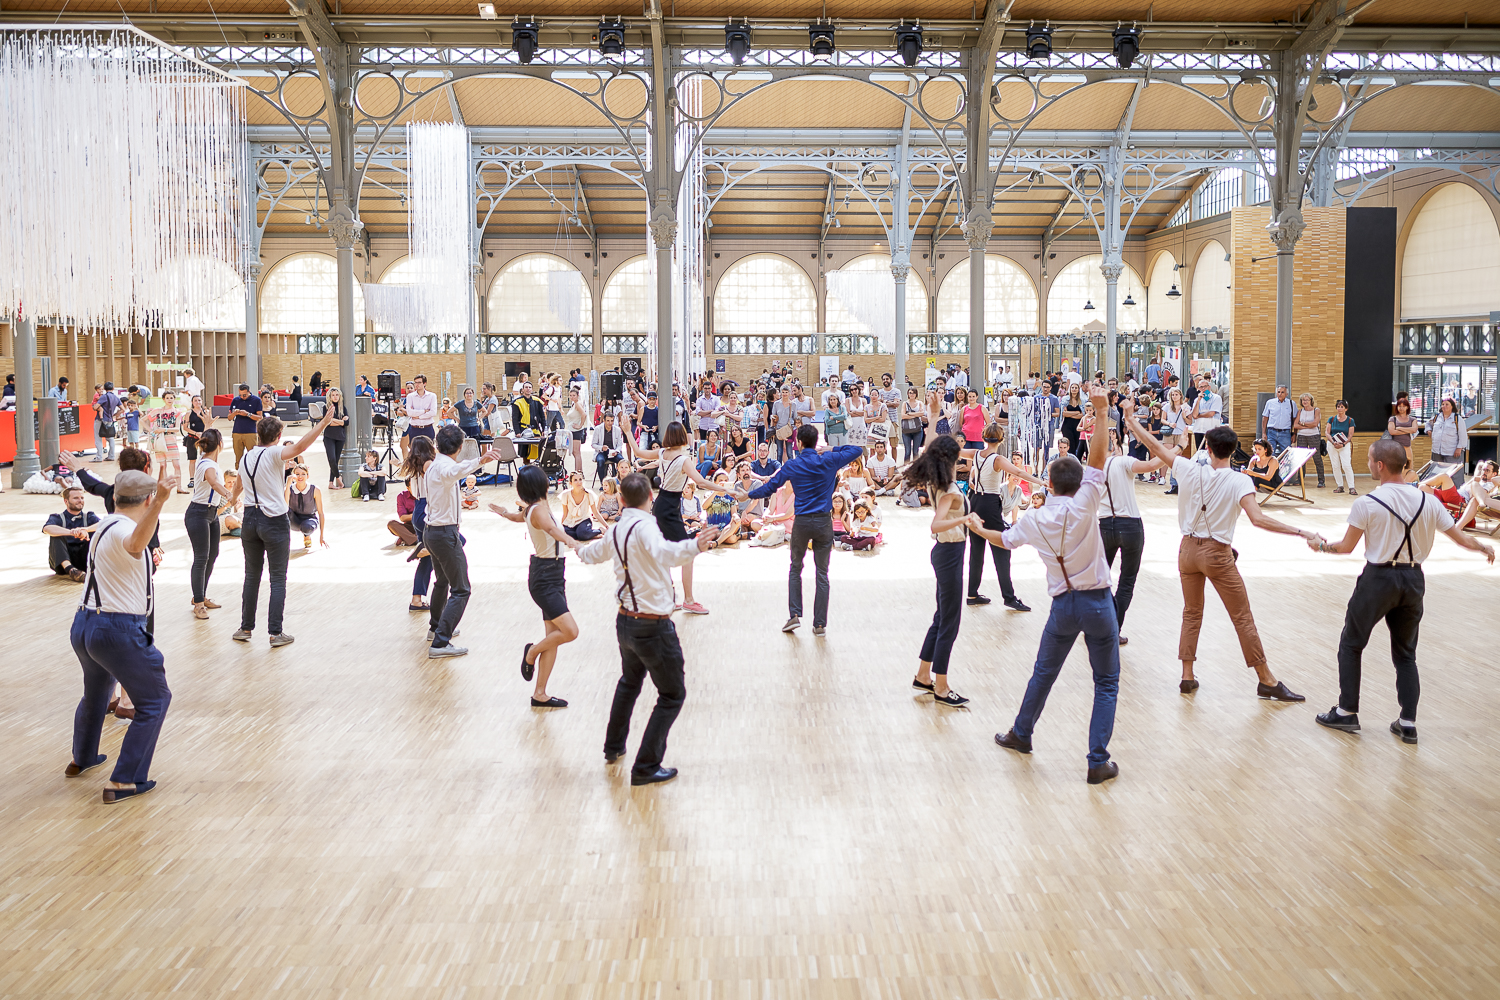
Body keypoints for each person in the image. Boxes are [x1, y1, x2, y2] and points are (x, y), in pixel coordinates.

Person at [972, 385, 1121, 784]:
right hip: (1098, 602)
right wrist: (1102, 413)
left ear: (1049, 486)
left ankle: (1022, 733)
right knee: (1105, 681)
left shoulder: (1035, 519)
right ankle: (1096, 760)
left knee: (1044, 672)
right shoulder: (1087, 500)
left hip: (1062, 606)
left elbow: (1003, 540)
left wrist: (977, 526)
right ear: (1079, 482)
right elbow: (1099, 457)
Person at [1307, 439, 1495, 744]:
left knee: (1351, 644)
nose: (1368, 463)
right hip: (1413, 581)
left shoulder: (1367, 503)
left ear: (1379, 466)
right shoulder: (1429, 502)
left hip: (1378, 580)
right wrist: (1483, 545)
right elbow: (1460, 538)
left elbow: (1345, 547)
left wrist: (1320, 546)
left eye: (1369, 459)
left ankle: (1346, 712)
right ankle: (1407, 722)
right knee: (1406, 655)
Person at [1123, 409, 1314, 701]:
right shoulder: (1239, 481)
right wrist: (1302, 533)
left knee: (1191, 612)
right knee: (1242, 617)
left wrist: (1131, 420)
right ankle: (1266, 680)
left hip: (1186, 550)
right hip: (1217, 554)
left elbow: (1156, 446)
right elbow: (1259, 519)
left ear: (1208, 449)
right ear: (1234, 450)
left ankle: (1187, 675)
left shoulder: (1186, 468)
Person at [575, 473, 721, 786]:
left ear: (623, 501)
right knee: (672, 694)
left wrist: (573, 545)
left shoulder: (615, 529)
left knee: (629, 682)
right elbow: (667, 554)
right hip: (652, 626)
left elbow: (590, 555)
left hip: (625, 622)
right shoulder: (645, 527)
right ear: (650, 499)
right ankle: (645, 766)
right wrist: (695, 545)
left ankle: (613, 747)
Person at [67, 468, 176, 803]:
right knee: (155, 700)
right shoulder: (125, 530)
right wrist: (159, 502)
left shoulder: (104, 523)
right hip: (115, 630)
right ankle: (124, 780)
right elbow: (135, 544)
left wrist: (153, 499)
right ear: (145, 500)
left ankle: (83, 757)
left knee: (97, 693)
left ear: (114, 497)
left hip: (85, 624)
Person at [742, 424, 863, 636]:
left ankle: (794, 615)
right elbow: (856, 450)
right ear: (817, 443)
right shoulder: (829, 460)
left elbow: (770, 487)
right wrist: (830, 450)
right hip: (824, 523)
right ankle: (819, 625)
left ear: (798, 443)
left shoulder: (792, 465)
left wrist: (749, 495)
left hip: (802, 522)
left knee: (796, 567)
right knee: (822, 573)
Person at [230, 407, 336, 648]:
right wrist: (322, 424)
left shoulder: (247, 456)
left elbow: (237, 486)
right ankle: (275, 632)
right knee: (277, 578)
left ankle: (245, 628)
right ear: (277, 437)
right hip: (273, 521)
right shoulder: (274, 453)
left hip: (249, 519)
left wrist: (231, 498)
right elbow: (300, 448)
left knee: (251, 576)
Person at [492, 465, 580, 708]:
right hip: (545, 577)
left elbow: (517, 517)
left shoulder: (534, 508)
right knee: (570, 632)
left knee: (553, 636)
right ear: (541, 484)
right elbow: (552, 530)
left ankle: (539, 694)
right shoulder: (539, 511)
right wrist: (574, 543)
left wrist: (504, 513)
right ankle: (531, 652)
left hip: (552, 574)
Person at [625, 421, 731, 615]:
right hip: (669, 507)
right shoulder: (683, 459)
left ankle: (668, 597)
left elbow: (638, 453)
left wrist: (627, 431)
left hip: (661, 505)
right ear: (682, 437)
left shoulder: (662, 453)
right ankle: (688, 600)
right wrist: (724, 488)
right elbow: (700, 482)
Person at [903, 436, 975, 706]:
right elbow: (935, 525)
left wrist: (933, 417)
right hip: (950, 553)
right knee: (950, 622)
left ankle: (923, 675)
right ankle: (942, 686)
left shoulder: (938, 480)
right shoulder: (951, 490)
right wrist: (965, 518)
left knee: (941, 616)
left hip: (946, 553)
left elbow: (926, 449)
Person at [424, 426, 501, 658]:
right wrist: (480, 459)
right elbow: (456, 471)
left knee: (442, 581)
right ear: (459, 448)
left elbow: (454, 470)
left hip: (432, 532)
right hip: (444, 534)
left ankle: (436, 627)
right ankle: (440, 641)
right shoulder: (445, 468)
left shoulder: (432, 465)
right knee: (462, 589)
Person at [1098, 416, 1169, 643]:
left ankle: (1100, 623)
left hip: (1104, 525)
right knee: (1126, 581)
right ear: (1115, 444)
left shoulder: (1091, 469)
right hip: (1130, 525)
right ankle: (1113, 629)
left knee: (1100, 578)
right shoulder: (1123, 461)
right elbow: (1152, 465)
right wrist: (1177, 447)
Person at [965, 425, 1042, 612]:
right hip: (990, 504)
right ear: (1001, 440)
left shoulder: (976, 453)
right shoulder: (998, 459)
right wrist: (1041, 482)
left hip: (974, 502)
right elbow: (1019, 472)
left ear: (984, 437)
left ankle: (972, 594)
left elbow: (953, 450)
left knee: (977, 551)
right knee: (1002, 549)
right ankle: (1009, 597)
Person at [185, 429, 231, 620]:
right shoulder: (206, 464)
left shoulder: (210, 461)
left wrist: (207, 425)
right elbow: (213, 482)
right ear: (219, 444)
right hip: (198, 514)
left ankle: (201, 595)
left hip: (211, 514)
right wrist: (228, 494)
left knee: (213, 554)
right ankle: (199, 603)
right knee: (201, 557)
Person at [44, 487, 100, 581]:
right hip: (63, 562)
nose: (80, 501)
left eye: (82, 498)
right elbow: (46, 528)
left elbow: (104, 525)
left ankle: (97, 567)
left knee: (97, 532)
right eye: (76, 498)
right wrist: (71, 532)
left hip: (85, 559)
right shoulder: (57, 517)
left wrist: (85, 529)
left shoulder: (89, 516)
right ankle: (72, 571)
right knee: (56, 535)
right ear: (66, 501)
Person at [147, 390, 189, 494]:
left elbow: (177, 429)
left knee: (177, 464)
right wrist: (151, 431)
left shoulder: (177, 412)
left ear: (174, 399)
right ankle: (163, 488)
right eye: (167, 398)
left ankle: (179, 487)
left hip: (171, 439)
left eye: (171, 398)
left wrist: (163, 429)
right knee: (163, 465)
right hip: (160, 440)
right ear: (163, 399)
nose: (169, 400)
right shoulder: (157, 411)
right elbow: (143, 420)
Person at [285, 465, 326, 551]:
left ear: (307, 476)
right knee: (284, 511)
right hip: (293, 518)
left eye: (303, 474)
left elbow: (321, 513)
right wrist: (288, 485)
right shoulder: (289, 489)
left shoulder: (315, 489)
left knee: (306, 527)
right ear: (293, 475)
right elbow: (285, 505)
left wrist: (321, 535)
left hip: (309, 518)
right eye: (297, 474)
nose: (300, 476)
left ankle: (307, 535)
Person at [1427, 397, 1469, 480]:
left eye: (1447, 404)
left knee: (1454, 474)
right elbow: (1428, 424)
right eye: (1443, 404)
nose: (1444, 406)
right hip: (1437, 452)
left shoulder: (1457, 418)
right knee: (1436, 473)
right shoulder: (1436, 417)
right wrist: (1428, 430)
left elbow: (1463, 435)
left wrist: (1459, 448)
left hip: (1452, 452)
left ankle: (1456, 490)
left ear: (1452, 406)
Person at [1292, 393, 1325, 488]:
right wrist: (1307, 425)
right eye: (1303, 400)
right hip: (1301, 436)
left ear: (1311, 401)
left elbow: (1315, 424)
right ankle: (1300, 479)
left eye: (1307, 400)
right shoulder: (1300, 411)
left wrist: (1302, 424)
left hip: (1314, 436)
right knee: (1301, 459)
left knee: (1317, 458)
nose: (1305, 401)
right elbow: (1295, 425)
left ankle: (1321, 480)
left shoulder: (1316, 410)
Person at [1326, 399, 1358, 495]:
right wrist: (1333, 442)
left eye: (1342, 407)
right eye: (1338, 406)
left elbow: (1350, 435)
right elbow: (1327, 432)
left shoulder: (1350, 420)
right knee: (1335, 466)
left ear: (1346, 408)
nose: (1340, 408)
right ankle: (1340, 486)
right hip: (1332, 444)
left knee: (1346, 465)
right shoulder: (1331, 419)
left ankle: (1352, 487)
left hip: (1344, 445)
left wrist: (1343, 444)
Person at [560, 471, 602, 540]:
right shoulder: (565, 494)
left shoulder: (588, 494)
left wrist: (606, 526)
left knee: (582, 533)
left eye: (580, 479)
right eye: (575, 480)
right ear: (571, 483)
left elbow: (596, 513)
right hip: (570, 522)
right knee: (564, 534)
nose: (578, 482)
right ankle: (590, 535)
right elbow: (565, 514)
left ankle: (600, 531)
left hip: (584, 520)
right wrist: (560, 527)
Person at [229, 384, 263, 466]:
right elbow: (229, 417)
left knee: (253, 456)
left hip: (250, 432)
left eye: (244, 395)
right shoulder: (235, 400)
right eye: (240, 395)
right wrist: (235, 413)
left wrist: (248, 414)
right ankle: (238, 474)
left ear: (249, 392)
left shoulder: (256, 400)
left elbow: (260, 417)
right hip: (237, 431)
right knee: (238, 457)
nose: (242, 397)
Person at [323, 387, 348, 489]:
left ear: (340, 396)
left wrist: (334, 420)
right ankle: (338, 478)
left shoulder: (343, 408)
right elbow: (327, 423)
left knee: (336, 460)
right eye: (333, 395)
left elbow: (346, 423)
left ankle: (330, 482)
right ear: (330, 396)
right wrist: (340, 421)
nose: (335, 397)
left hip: (340, 437)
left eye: (337, 395)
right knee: (331, 459)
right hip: (329, 437)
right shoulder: (326, 407)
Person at [591, 412, 626, 485]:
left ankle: (621, 482)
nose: (610, 423)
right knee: (600, 461)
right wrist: (601, 448)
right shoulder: (598, 429)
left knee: (622, 461)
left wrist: (616, 451)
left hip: (613, 452)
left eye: (612, 421)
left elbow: (620, 444)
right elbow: (593, 444)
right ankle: (603, 483)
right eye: (608, 420)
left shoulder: (617, 429)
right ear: (604, 420)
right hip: (601, 452)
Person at [404, 374, 439, 446]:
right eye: (415, 382)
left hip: (427, 427)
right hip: (415, 428)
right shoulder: (410, 396)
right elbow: (410, 413)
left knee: (429, 452)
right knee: (415, 452)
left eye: (419, 382)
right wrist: (424, 411)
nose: (417, 384)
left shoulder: (432, 396)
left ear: (424, 383)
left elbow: (433, 412)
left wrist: (418, 416)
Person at [1387, 396, 1418, 474]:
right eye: (1399, 406)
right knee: (1396, 467)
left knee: (1409, 467)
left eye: (1403, 406)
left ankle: (1408, 483)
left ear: (1407, 407)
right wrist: (1408, 430)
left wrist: (1400, 428)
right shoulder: (1392, 419)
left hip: (1407, 447)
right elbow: (1392, 432)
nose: (1401, 408)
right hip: (1396, 447)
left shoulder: (1412, 419)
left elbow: (1414, 430)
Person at [1260, 385, 1294, 456]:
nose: (1280, 394)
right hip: (1271, 432)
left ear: (1286, 394)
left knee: (1287, 454)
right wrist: (1263, 433)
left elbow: (1294, 419)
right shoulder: (1270, 402)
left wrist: (1294, 434)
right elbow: (1265, 418)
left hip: (1285, 433)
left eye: (1282, 392)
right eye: (1278, 392)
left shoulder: (1291, 404)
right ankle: (1272, 467)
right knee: (1269, 453)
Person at [1189, 377, 1222, 450]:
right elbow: (1194, 415)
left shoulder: (1216, 398)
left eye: (1205, 386)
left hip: (1211, 429)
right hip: (1198, 429)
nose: (1203, 389)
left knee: (1212, 450)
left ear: (1209, 387)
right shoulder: (1197, 399)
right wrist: (1198, 401)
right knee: (1200, 451)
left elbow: (1211, 413)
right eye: (1201, 387)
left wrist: (1199, 415)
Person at [183, 395, 208, 487]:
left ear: (202, 401)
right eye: (195, 400)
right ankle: (192, 479)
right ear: (192, 402)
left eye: (199, 400)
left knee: (204, 458)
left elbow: (210, 424)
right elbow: (185, 427)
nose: (197, 402)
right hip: (192, 438)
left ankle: (204, 477)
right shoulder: (189, 413)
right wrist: (195, 433)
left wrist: (204, 433)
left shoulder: (206, 412)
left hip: (204, 438)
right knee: (192, 459)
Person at [93, 382, 120, 463]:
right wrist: (115, 415)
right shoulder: (116, 397)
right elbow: (122, 408)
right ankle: (111, 456)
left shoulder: (104, 397)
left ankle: (99, 457)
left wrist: (95, 407)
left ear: (104, 389)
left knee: (98, 438)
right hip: (110, 420)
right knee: (110, 438)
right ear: (113, 388)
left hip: (100, 420)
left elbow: (95, 407)